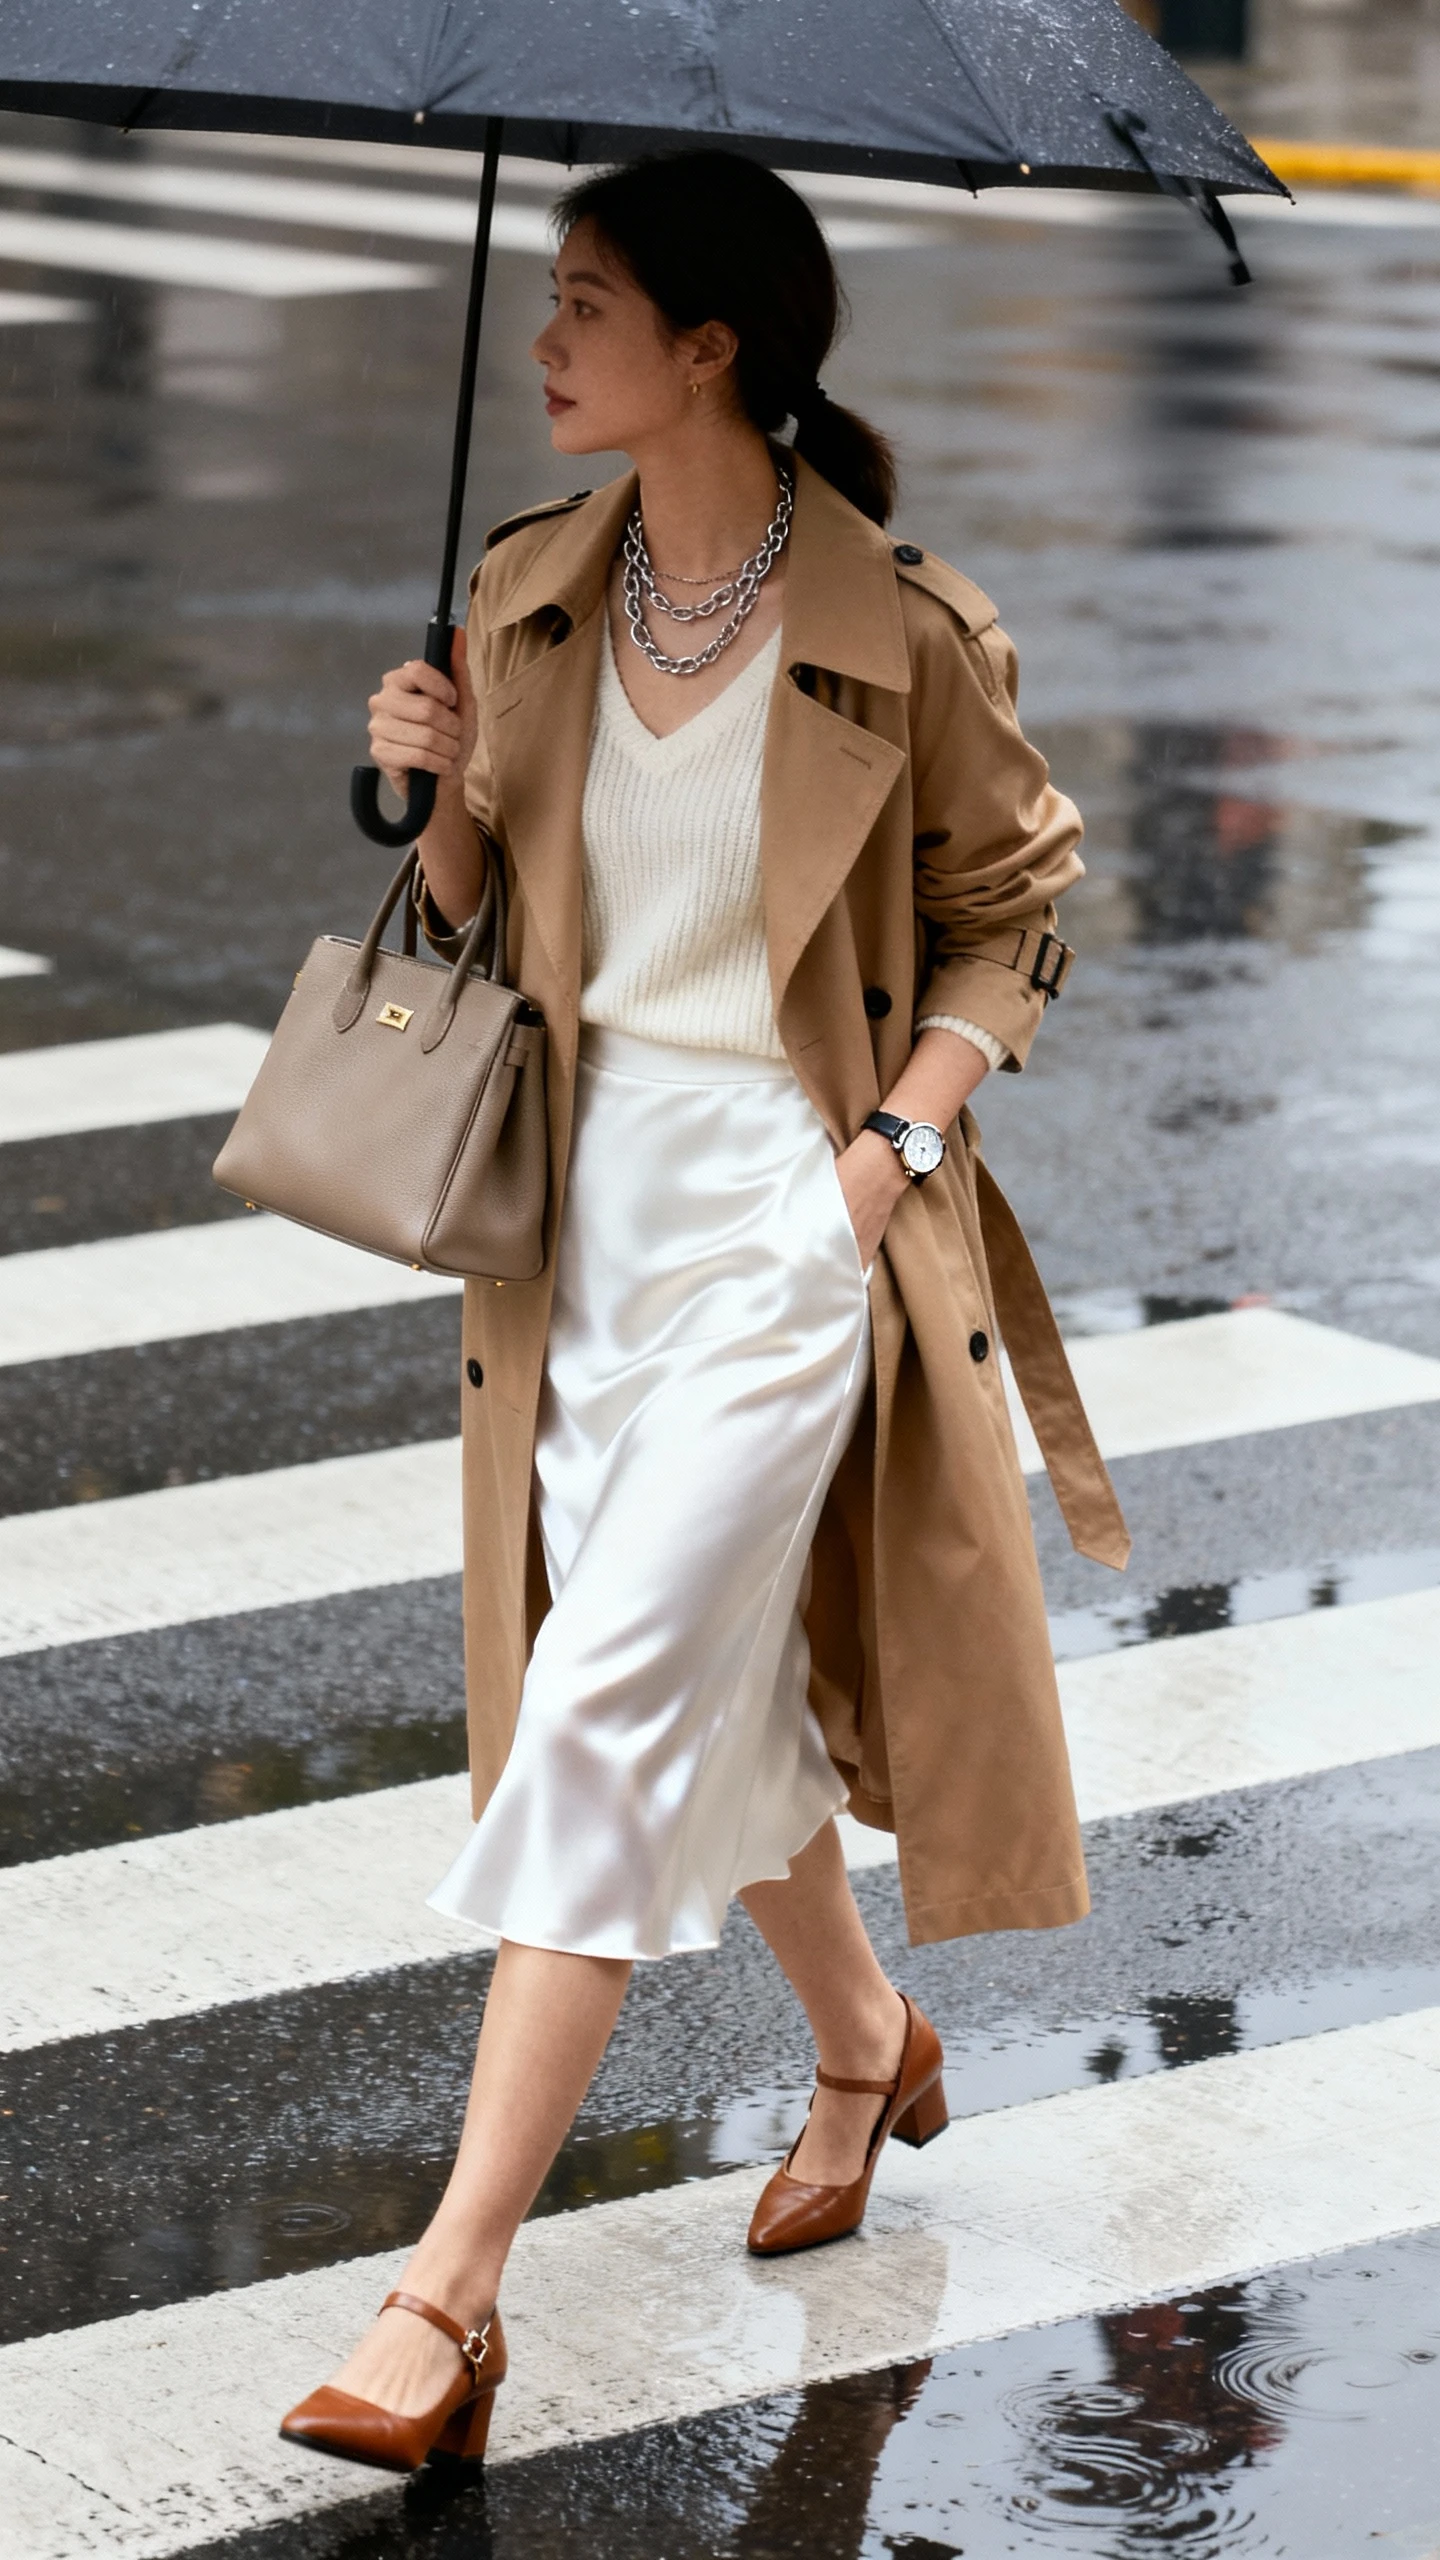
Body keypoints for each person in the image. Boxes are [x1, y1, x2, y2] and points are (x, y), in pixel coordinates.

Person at [280, 148, 1126, 2477]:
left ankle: (448, 2298)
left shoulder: (904, 626)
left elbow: (1018, 914)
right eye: (546, 298)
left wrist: (890, 1160)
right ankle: (865, 2041)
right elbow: (482, 912)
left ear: (713, 347)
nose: (544, 342)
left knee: (607, 1690)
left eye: (585, 303)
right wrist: (429, 786)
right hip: (583, 1232)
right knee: (702, 1685)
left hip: (784, 1219)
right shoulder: (536, 585)